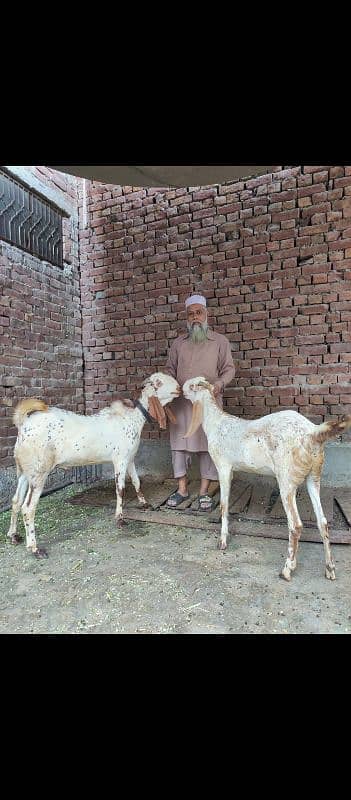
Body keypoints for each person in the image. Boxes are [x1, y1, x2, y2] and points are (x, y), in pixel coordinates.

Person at [165, 294, 235, 511]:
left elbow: (229, 369)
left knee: (207, 445)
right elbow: (169, 369)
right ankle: (182, 489)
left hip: (207, 405)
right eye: (191, 314)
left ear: (206, 314)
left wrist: (218, 386)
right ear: (187, 318)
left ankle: (204, 492)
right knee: (179, 445)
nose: (195, 317)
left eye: (199, 312)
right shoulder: (178, 343)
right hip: (181, 404)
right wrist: (170, 385)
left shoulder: (220, 342)